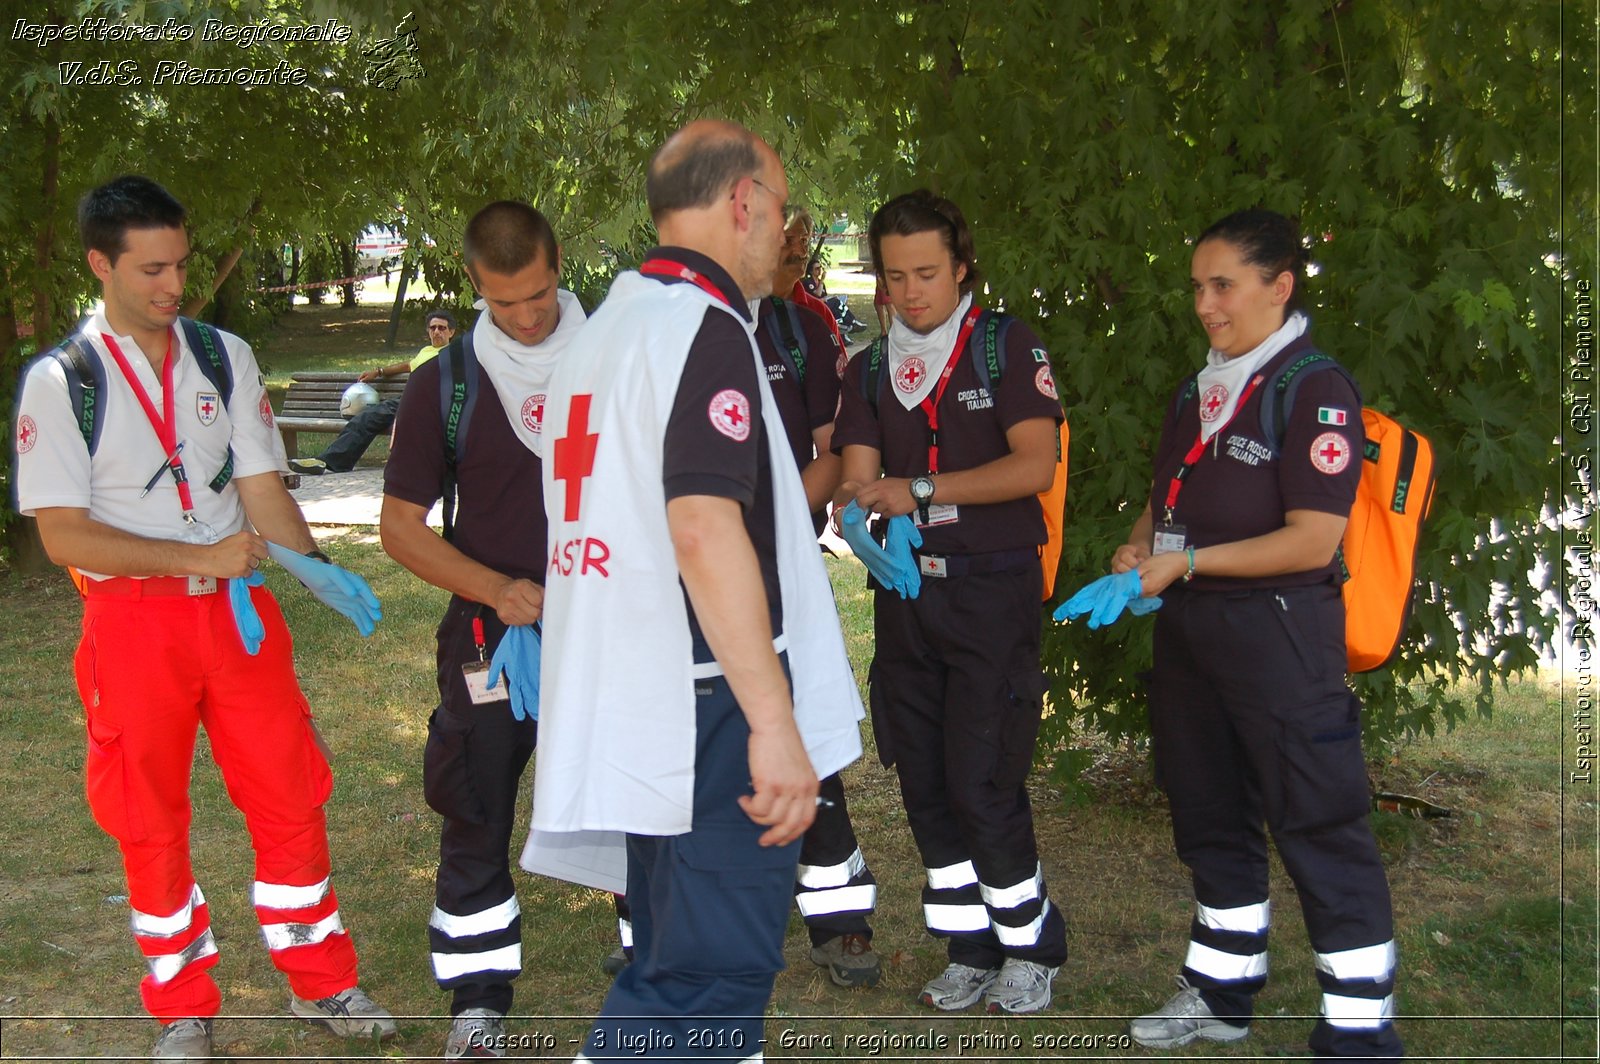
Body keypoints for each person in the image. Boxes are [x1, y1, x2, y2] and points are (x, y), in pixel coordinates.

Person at [13, 175, 395, 1061]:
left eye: (181, 264)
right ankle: (183, 1005)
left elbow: (260, 486)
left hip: (239, 619)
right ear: (99, 264)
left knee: (290, 790)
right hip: (132, 624)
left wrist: (315, 567)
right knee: (146, 813)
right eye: (151, 269)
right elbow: (65, 532)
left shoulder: (222, 356)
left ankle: (322, 980)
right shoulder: (61, 381)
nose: (172, 286)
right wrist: (198, 558)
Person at [530, 119, 863, 1061]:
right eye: (784, 209)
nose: (785, 233)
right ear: (743, 201)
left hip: (649, 691)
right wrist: (773, 721)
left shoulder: (611, 326)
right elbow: (704, 527)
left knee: (677, 961)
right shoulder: (703, 330)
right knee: (704, 982)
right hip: (707, 705)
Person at [1113, 208, 1402, 1058]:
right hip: (1193, 638)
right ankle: (1221, 992)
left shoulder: (1313, 388)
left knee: (1319, 823)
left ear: (1279, 287)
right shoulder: (1200, 386)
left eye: (1223, 285)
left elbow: (1313, 538)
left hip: (1281, 639)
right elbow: (1168, 498)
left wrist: (1188, 562)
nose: (1205, 304)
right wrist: (1144, 543)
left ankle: (1358, 1032)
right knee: (1208, 816)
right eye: (1198, 286)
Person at [607, 204, 880, 988]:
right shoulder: (663, 326)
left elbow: (835, 445)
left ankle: (839, 919)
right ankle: (644, 927)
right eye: (778, 235)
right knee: (681, 748)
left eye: (798, 241)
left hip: (775, 571)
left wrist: (776, 516)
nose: (788, 251)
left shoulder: (801, 330)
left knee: (799, 736)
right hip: (677, 587)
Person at [831, 189, 1069, 1014]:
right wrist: (854, 513)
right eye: (894, 277)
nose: (910, 293)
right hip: (905, 596)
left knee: (982, 778)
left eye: (927, 272)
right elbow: (860, 475)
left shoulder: (1004, 346)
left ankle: (1032, 945)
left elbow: (1034, 465)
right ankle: (968, 946)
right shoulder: (868, 366)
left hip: (990, 593)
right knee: (924, 778)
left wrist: (921, 491)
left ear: (962, 266)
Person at [379, 201, 585, 1060]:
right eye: (506, 304)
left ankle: (651, 964)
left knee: (621, 794)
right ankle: (477, 999)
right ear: (475, 287)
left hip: (604, 624)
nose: (528, 318)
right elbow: (399, 526)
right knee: (476, 801)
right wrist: (496, 589)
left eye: (539, 295)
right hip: (487, 633)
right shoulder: (447, 382)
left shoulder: (615, 358)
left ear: (558, 263)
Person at [289, 310, 456, 475]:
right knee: (366, 417)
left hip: (431, 404)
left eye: (442, 328)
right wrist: (379, 371)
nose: (436, 332)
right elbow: (408, 365)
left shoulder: (455, 354)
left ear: (451, 332)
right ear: (428, 331)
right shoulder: (425, 352)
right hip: (407, 400)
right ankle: (328, 462)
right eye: (433, 328)